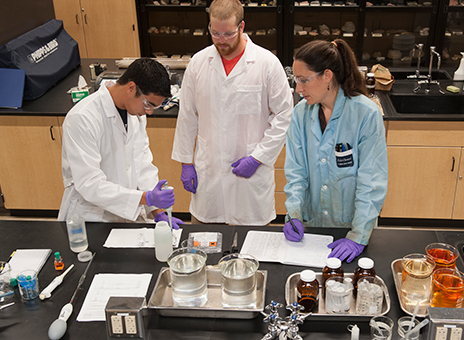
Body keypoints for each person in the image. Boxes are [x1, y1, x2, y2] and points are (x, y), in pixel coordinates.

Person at [171, 0, 294, 225]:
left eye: (227, 34)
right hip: (210, 173)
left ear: (241, 26)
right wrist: (186, 163)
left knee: (253, 248)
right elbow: (187, 116)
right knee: (206, 243)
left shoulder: (266, 63)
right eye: (215, 33)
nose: (221, 40)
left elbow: (285, 115)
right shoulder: (198, 63)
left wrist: (259, 157)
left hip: (249, 177)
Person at [283, 39, 388, 263]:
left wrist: (358, 236)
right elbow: (296, 173)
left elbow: (371, 182)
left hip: (352, 230)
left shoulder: (365, 114)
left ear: (327, 76)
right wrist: (294, 215)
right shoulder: (301, 114)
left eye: (304, 80)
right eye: (296, 80)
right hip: (312, 229)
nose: (298, 89)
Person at [58, 58, 184, 228]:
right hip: (92, 218)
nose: (149, 112)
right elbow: (90, 184)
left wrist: (157, 211)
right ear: (131, 88)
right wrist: (145, 198)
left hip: (128, 216)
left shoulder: (135, 115)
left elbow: (142, 166)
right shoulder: (83, 118)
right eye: (148, 104)